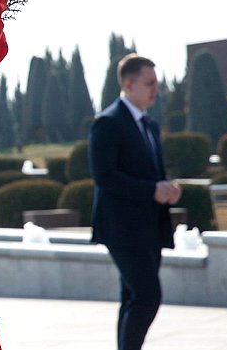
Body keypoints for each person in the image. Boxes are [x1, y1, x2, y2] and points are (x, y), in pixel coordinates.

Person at [89, 53, 182, 350]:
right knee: (147, 295)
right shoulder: (108, 122)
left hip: (149, 227)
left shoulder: (150, 125)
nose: (156, 89)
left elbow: (151, 172)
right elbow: (104, 176)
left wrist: (166, 188)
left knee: (132, 297)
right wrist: (151, 190)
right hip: (122, 229)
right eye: (150, 83)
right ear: (129, 84)